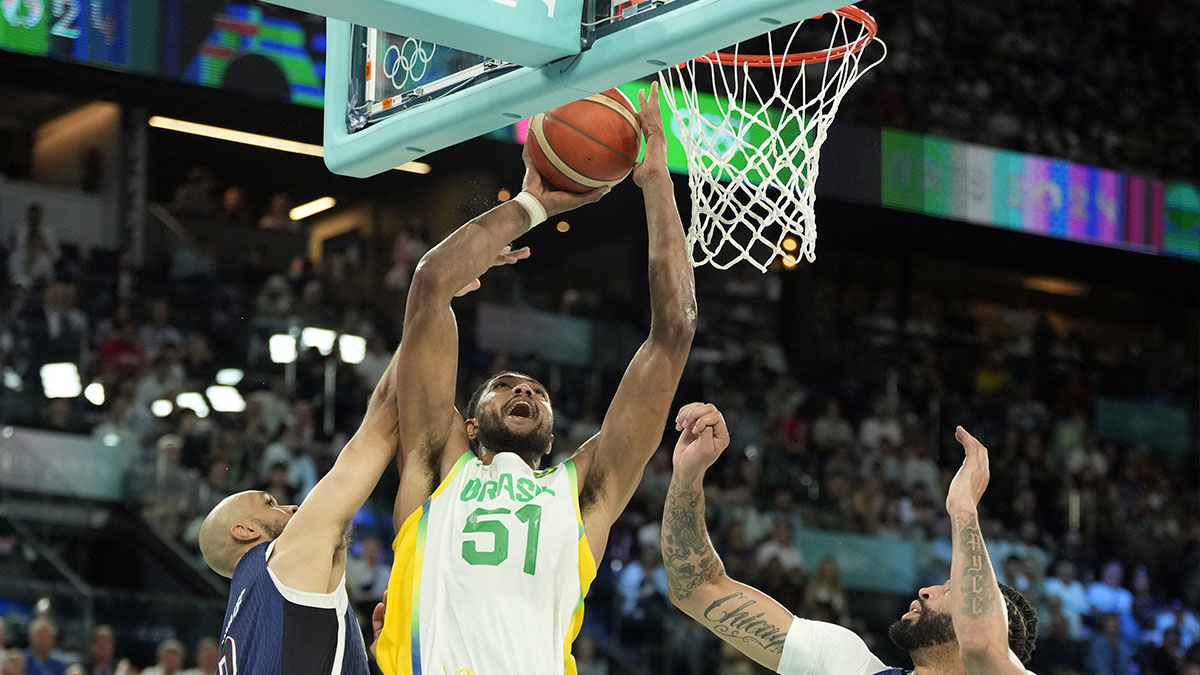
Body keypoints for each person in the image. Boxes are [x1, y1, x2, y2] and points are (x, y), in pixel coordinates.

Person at [376, 82, 696, 675]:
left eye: (539, 393)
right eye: (507, 386)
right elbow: (431, 283)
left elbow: (674, 330)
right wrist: (533, 205)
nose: (525, 391)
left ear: (551, 438)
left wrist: (656, 183)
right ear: (468, 425)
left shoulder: (583, 494)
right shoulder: (435, 464)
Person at [196, 255, 520, 674]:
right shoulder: (283, 558)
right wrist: (434, 300)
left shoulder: (246, 620)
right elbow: (385, 417)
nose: (292, 507)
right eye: (269, 503)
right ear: (244, 531)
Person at [661, 406, 1038, 675]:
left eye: (949, 591)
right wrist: (687, 477)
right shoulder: (845, 662)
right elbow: (696, 587)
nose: (926, 591)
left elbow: (982, 646)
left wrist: (963, 508)